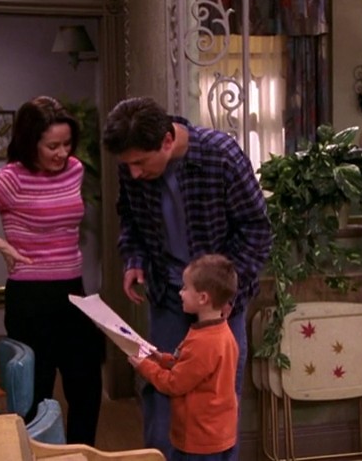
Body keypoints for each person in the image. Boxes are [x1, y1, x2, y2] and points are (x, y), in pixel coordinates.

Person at [102, 96, 272, 459]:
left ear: (167, 140)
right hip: (168, 294)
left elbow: (256, 229)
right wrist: (134, 259)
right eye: (127, 165)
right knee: (161, 390)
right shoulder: (133, 166)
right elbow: (129, 218)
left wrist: (223, 292)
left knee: (217, 400)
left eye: (140, 163)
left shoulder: (220, 156)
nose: (134, 173)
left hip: (221, 305)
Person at [0, 95, 105, 446]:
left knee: (86, 386)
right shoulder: (10, 180)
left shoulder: (75, 170)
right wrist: (0, 244)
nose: (62, 153)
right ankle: (35, 454)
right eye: (52, 146)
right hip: (31, 298)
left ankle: (79, 455)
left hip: (73, 291)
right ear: (30, 143)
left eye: (67, 144)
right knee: (35, 394)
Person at [127, 254, 240, 461]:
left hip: (199, 441)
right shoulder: (219, 332)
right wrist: (160, 358)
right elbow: (191, 367)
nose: (180, 293)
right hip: (217, 435)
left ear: (203, 298)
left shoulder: (204, 342)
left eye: (186, 288)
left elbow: (174, 383)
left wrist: (144, 366)